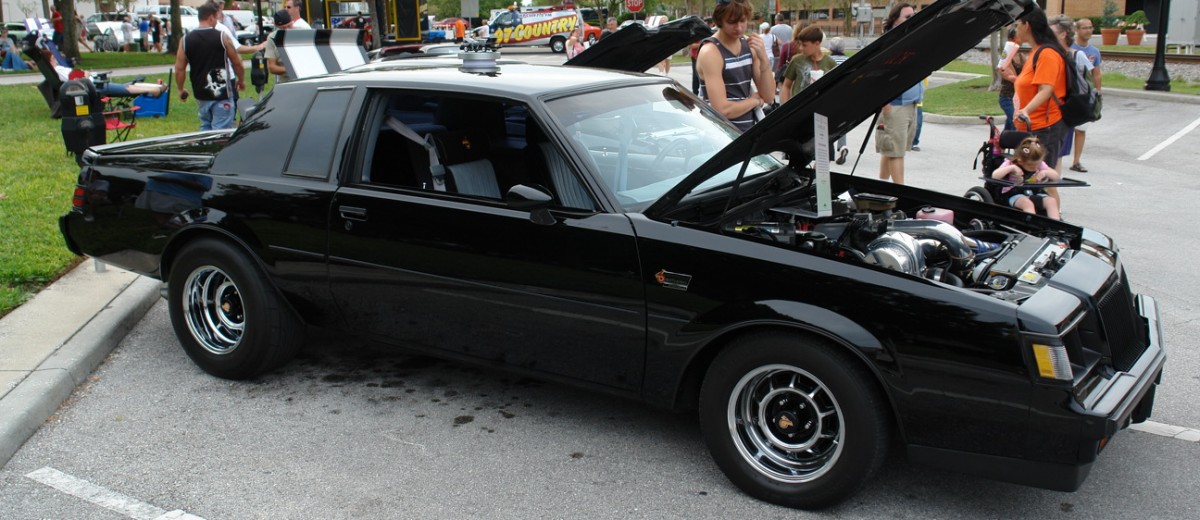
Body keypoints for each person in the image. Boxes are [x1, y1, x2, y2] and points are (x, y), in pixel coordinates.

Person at [1013, 7, 1068, 207]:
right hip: (1032, 126)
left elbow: (1046, 90)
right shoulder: (1036, 52)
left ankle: (1054, 219)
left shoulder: (1047, 54)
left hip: (1045, 127)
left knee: (1045, 181)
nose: (1015, 29)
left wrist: (1026, 110)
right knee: (1032, 180)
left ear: (1027, 25)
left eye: (1017, 25)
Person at [696, 0, 775, 132]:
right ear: (719, 20)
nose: (738, 27)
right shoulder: (711, 52)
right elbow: (722, 110)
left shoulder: (749, 46)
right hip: (720, 134)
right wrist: (754, 101)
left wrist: (764, 59)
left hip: (746, 131)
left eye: (742, 21)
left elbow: (768, 96)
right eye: (731, 22)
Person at [174, 3, 245, 131]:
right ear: (211, 17)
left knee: (205, 127)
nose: (217, 21)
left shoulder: (185, 40)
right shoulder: (222, 37)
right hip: (222, 94)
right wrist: (241, 80)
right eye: (216, 18)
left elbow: (179, 69)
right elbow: (237, 62)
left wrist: (180, 88)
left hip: (201, 94)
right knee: (221, 132)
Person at [876, 3, 919, 184]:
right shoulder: (890, 42)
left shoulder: (911, 38)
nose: (912, 19)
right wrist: (884, 100)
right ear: (895, 20)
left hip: (910, 102)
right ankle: (900, 192)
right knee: (895, 152)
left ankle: (881, 187)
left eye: (913, 16)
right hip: (895, 103)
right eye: (907, 17)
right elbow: (881, 73)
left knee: (891, 150)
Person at [1050, 15, 1092, 174]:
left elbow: (1087, 83)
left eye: (1052, 32)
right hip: (1048, 113)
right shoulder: (1049, 54)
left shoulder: (1076, 55)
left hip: (1064, 113)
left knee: (1056, 159)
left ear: (1063, 34)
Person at [990, 136, 1061, 220]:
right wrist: (1011, 168)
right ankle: (1032, 224)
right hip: (1013, 194)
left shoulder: (1038, 164)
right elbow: (994, 175)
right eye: (1032, 167)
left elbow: (1056, 176)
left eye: (1038, 165)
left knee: (1051, 201)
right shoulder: (1010, 164)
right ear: (1021, 161)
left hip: (1034, 192)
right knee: (1028, 204)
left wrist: (1045, 172)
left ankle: (1055, 224)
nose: (1036, 168)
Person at [1069, 17, 1101, 173]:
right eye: (1085, 28)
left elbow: (1096, 74)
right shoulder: (1070, 48)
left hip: (1084, 95)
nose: (1088, 31)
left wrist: (1097, 94)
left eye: (1090, 27)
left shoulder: (1094, 52)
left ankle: (1076, 161)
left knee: (1081, 129)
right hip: (1070, 94)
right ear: (1077, 30)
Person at [780, 26, 834, 104]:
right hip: (798, 106)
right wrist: (785, 105)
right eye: (800, 44)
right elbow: (786, 86)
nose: (800, 48)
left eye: (804, 45)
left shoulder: (830, 63)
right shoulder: (797, 60)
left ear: (817, 44)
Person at [997, 27, 1022, 132]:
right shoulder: (1007, 54)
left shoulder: (1020, 55)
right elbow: (1012, 77)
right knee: (1015, 123)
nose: (1020, 39)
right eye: (1018, 36)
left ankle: (1001, 140)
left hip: (1016, 97)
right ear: (1012, 39)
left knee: (1009, 127)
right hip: (1007, 97)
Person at [264, 9, 293, 84]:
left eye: (289, 26)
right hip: (285, 81)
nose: (286, 30)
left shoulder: (302, 33)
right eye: (283, 28)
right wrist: (290, 69)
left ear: (292, 21)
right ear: (276, 26)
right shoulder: (272, 38)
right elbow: (272, 67)